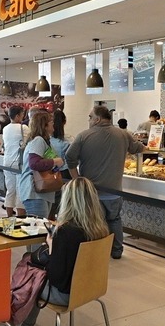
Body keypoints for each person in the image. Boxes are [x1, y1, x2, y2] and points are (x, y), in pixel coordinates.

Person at [18, 177, 110, 326]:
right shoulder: (101, 229)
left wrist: (51, 247)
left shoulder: (65, 233)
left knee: (30, 275)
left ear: (68, 201)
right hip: (90, 288)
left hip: (65, 294)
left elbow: (56, 277)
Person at [66, 105, 144, 259]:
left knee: (92, 222)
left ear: (97, 119)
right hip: (115, 191)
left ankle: (97, 253)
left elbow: (69, 157)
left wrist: (77, 179)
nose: (89, 120)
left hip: (91, 192)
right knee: (114, 220)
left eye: (90, 117)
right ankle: (116, 251)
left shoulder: (83, 136)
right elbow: (139, 148)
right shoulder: (123, 134)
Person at [18, 111, 64, 219]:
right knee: (38, 225)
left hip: (42, 192)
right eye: (51, 122)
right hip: (34, 192)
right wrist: (55, 161)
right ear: (45, 125)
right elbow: (34, 163)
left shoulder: (44, 141)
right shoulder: (38, 141)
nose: (53, 124)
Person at [2, 106, 29, 217]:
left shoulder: (5, 128)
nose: (23, 117)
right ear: (17, 116)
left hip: (7, 162)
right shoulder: (24, 128)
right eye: (22, 114)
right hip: (19, 163)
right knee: (20, 190)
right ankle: (20, 217)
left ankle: (9, 216)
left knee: (10, 190)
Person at [48, 109, 73, 219]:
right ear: (65, 121)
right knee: (65, 203)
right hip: (65, 173)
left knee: (52, 203)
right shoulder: (69, 140)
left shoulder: (46, 140)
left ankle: (50, 224)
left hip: (51, 173)